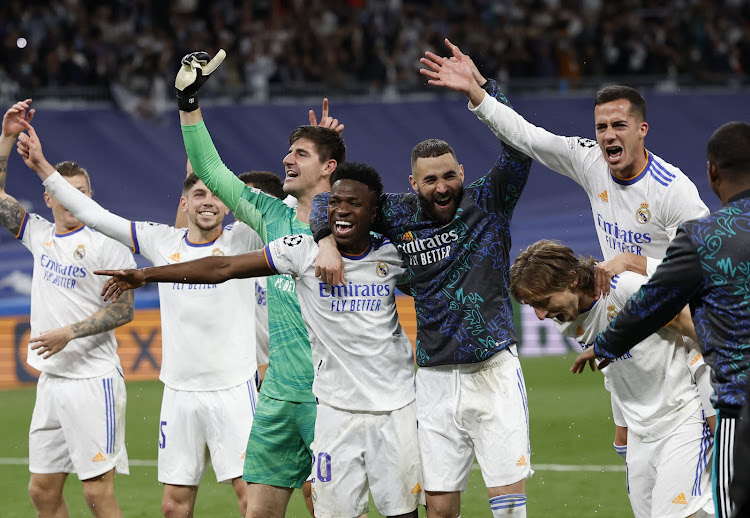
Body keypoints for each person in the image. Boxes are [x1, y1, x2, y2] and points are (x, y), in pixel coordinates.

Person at [419, 37, 716, 451]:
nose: (608, 135)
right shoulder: (591, 161)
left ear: (642, 130)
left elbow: (710, 269)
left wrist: (635, 263)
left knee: (718, 462)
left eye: (619, 125)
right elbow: (527, 137)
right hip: (637, 322)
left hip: (690, 332)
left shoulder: (673, 191)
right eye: (601, 127)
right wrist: (478, 89)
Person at [97, 162, 423, 518]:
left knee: (402, 512)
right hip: (333, 412)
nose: (341, 210)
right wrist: (146, 273)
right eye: (335, 202)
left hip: (396, 408)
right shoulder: (302, 250)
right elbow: (222, 268)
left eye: (354, 204)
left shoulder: (394, 256)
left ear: (374, 212)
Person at [312, 65, 533, 518]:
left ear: (462, 173)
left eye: (448, 176)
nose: (441, 187)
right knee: (438, 511)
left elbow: (520, 148)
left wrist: (482, 92)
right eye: (429, 180)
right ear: (413, 184)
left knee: (509, 508)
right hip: (432, 379)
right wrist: (323, 241)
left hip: (493, 370)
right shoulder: (398, 212)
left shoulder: (487, 201)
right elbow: (326, 200)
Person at [18, 124, 264, 518]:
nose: (208, 201)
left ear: (230, 205)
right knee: (172, 508)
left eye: (217, 195)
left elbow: (293, 210)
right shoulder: (161, 241)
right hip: (178, 393)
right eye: (198, 193)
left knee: (252, 498)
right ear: (183, 203)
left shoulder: (243, 240)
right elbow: (92, 214)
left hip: (234, 390)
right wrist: (43, 167)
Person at [174, 50, 346, 517]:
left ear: (328, 168)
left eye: (301, 154)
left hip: (331, 395)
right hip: (277, 396)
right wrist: (187, 101)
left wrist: (334, 160)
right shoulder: (271, 213)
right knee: (258, 513)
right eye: (288, 151)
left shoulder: (356, 220)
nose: (286, 159)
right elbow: (211, 172)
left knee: (334, 510)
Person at [571, 121, 750, 518]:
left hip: (740, 399)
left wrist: (603, 345)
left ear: (712, 173)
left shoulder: (707, 237)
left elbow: (654, 301)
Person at [510, 240, 714, 518]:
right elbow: (616, 369)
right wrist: (622, 424)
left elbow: (693, 327)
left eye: (544, 302)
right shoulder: (566, 321)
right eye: (534, 306)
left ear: (571, 280)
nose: (541, 316)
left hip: (683, 418)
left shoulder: (624, 288)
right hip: (640, 432)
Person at [1, 100, 135, 518]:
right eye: (66, 192)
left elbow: (124, 311)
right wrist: (6, 137)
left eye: (83, 194)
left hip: (93, 382)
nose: (74, 201)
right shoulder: (37, 234)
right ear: (49, 196)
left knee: (97, 494)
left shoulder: (107, 245)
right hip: (52, 383)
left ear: (91, 198)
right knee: (42, 491)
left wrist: (69, 332)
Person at [237, 170, 286, 389]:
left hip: (292, 380)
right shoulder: (235, 253)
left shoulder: (298, 257)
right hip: (249, 380)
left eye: (243, 203)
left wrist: (272, 368)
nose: (235, 211)